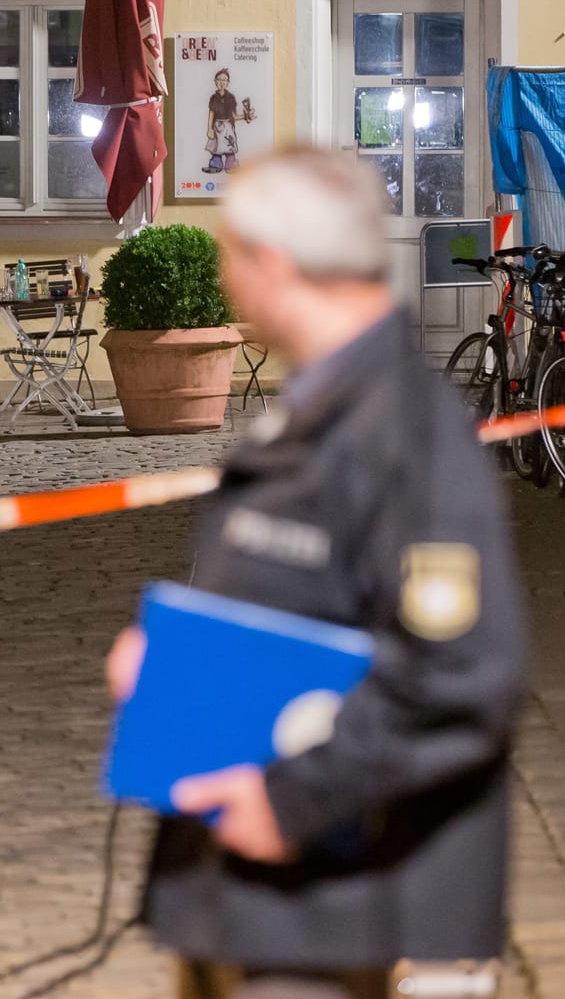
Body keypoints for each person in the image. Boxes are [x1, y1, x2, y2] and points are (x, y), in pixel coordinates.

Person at [107, 145, 527, 999]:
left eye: (228, 254)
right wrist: (177, 668)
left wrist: (293, 800)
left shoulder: (402, 429)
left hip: (339, 896)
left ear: (271, 265)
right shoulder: (325, 405)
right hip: (279, 897)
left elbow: (461, 670)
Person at [202, 68, 256, 175]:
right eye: (219, 79)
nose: (222, 82)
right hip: (217, 126)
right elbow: (211, 114)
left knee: (229, 148)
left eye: (225, 80)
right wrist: (209, 129)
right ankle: (215, 165)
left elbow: (234, 116)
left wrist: (246, 116)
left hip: (228, 127)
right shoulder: (213, 98)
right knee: (216, 148)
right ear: (215, 81)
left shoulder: (231, 98)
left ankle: (231, 166)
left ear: (228, 82)